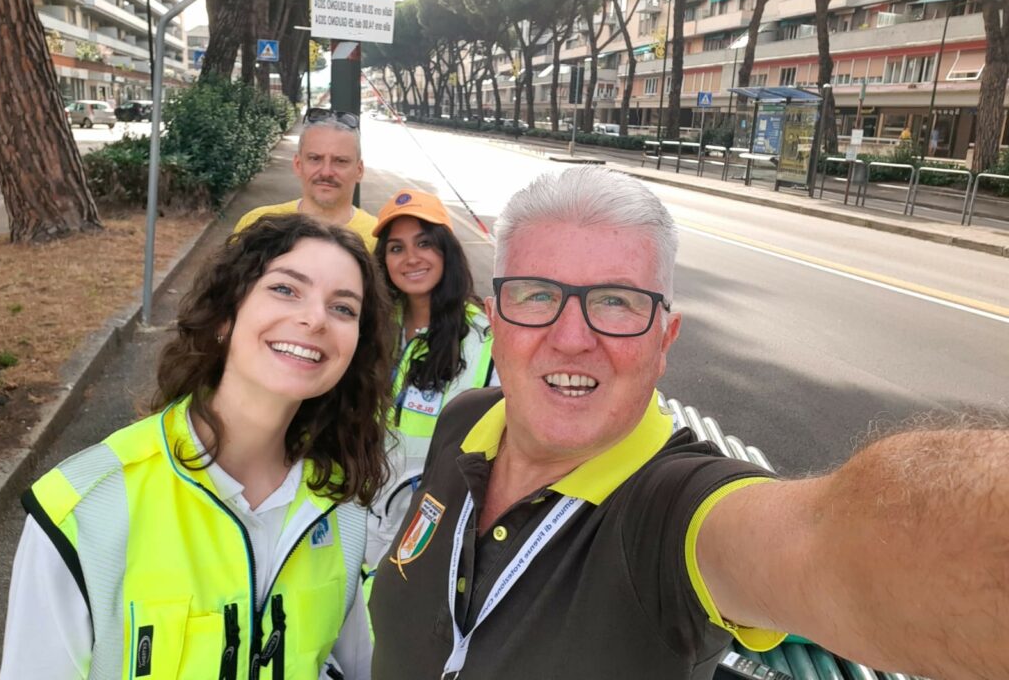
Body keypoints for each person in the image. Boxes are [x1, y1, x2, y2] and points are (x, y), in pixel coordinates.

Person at [370, 165, 1009, 680]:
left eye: (616, 302)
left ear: (665, 338)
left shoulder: (673, 513)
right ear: (496, 316)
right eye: (537, 294)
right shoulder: (466, 420)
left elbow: (840, 544)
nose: (571, 338)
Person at [1, 215, 396, 680]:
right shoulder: (83, 510)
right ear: (225, 318)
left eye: (344, 308)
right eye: (286, 289)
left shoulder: (342, 509)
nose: (315, 319)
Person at [364, 188, 497, 578]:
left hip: (430, 529)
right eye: (396, 248)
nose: (411, 259)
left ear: (446, 251)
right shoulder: (369, 328)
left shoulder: (482, 337)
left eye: (424, 243)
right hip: (358, 511)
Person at [234, 109, 378, 250]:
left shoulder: (379, 237)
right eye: (315, 159)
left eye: (340, 161)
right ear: (298, 165)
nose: (326, 172)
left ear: (359, 170)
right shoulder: (257, 225)